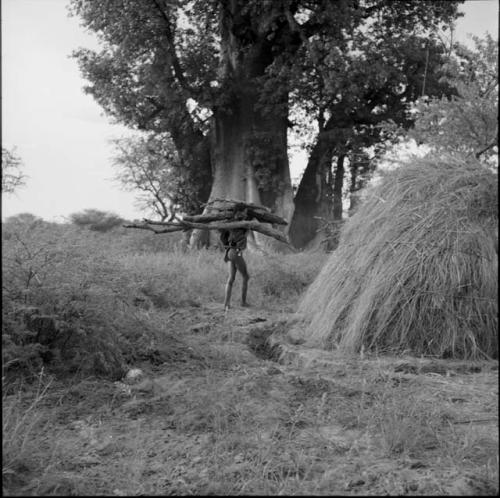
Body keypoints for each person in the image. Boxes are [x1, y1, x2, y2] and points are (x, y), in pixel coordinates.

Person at [219, 228, 249, 310]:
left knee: (231, 278)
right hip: (235, 252)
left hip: (230, 251)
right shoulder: (239, 228)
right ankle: (243, 302)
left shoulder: (231, 227)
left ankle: (226, 304)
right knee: (246, 277)